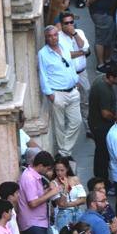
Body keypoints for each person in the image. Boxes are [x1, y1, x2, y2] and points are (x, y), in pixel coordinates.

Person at [39, 24, 84, 157]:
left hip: (73, 91)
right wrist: (50, 94)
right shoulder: (43, 53)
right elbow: (43, 74)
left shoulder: (64, 46)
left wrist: (76, 80)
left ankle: (64, 151)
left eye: (55, 35)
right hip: (58, 93)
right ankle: (64, 153)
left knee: (77, 122)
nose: (54, 38)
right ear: (46, 39)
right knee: (60, 125)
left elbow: (70, 65)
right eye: (50, 36)